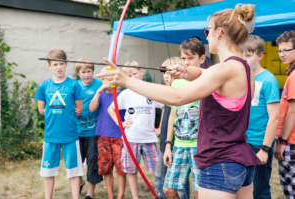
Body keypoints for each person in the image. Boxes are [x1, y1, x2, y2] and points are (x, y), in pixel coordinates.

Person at [96, 4, 261, 199]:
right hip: (240, 159)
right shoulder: (243, 69)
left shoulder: (223, 69)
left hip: (220, 161)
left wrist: (127, 81)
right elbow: (205, 74)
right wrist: (185, 71)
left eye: (207, 31)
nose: (206, 36)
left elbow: (177, 97)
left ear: (219, 33)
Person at [108, 61, 164, 199]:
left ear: (141, 72)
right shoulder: (126, 94)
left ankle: (161, 194)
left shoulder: (149, 90)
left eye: (135, 73)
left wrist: (160, 127)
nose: (133, 77)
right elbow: (111, 108)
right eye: (129, 75)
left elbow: (163, 107)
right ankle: (135, 197)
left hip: (149, 138)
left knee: (160, 168)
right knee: (131, 170)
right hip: (131, 138)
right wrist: (120, 122)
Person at [35, 49, 84, 199]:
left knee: (75, 172)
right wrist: (57, 109)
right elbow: (41, 110)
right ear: (49, 66)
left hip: (70, 135)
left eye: (61, 63)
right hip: (51, 136)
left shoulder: (74, 85)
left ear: (66, 64)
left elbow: (79, 109)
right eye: (55, 64)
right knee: (48, 172)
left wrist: (72, 111)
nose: (59, 67)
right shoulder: (44, 86)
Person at [163, 38, 206, 199]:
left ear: (201, 59)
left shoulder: (207, 80)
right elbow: (172, 115)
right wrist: (168, 145)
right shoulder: (176, 82)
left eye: (191, 58)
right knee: (168, 190)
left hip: (199, 146)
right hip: (179, 144)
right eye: (183, 58)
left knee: (200, 191)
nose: (186, 63)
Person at [240, 35, 280, 199]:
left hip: (258, 144)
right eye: (241, 55)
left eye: (248, 55)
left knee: (259, 191)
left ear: (260, 55)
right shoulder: (241, 77)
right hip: (241, 142)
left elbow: (274, 117)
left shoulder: (269, 80)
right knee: (242, 189)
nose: (244, 59)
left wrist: (265, 149)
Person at [89, 67, 127, 199]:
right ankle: (110, 196)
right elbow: (92, 108)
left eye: (108, 78)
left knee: (121, 168)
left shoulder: (122, 94)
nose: (106, 81)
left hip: (119, 136)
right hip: (103, 136)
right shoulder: (101, 94)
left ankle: (120, 196)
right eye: (103, 79)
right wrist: (98, 91)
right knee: (105, 168)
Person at [154, 57, 186, 199]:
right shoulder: (167, 91)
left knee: (179, 183)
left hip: (178, 143)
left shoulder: (182, 92)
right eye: (165, 73)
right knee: (160, 176)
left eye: (170, 73)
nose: (167, 76)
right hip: (164, 144)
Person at [75, 58, 103, 199]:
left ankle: (90, 193)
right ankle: (79, 182)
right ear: (78, 73)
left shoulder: (100, 85)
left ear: (93, 71)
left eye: (89, 71)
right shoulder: (74, 86)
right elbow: (69, 105)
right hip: (76, 130)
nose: (86, 75)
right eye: (83, 72)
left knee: (93, 161)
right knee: (76, 161)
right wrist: (74, 110)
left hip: (94, 130)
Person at [274, 30, 295, 198]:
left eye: (285, 50)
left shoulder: (294, 76)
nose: (281, 54)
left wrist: (282, 141)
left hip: (291, 141)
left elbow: (293, 111)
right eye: (279, 50)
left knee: (291, 190)